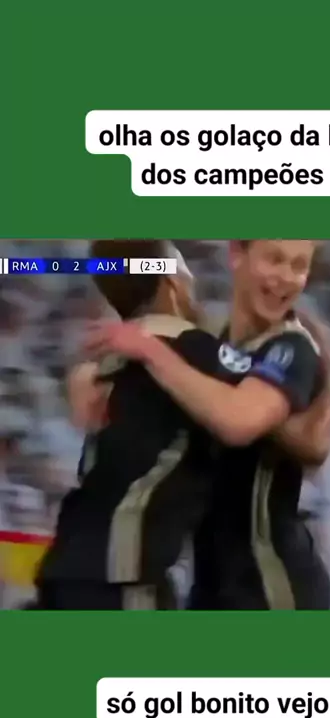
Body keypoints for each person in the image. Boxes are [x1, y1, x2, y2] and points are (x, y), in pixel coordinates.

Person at [87, 240, 330, 609]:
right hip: (209, 585)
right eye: (274, 260)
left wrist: (149, 350)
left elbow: (239, 422)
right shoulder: (212, 343)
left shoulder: (290, 347)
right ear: (237, 255)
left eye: (299, 267)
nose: (286, 277)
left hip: (270, 587)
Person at [29, 240, 221, 609]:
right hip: (122, 576)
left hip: (68, 567)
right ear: (170, 282)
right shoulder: (195, 350)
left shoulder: (106, 361)